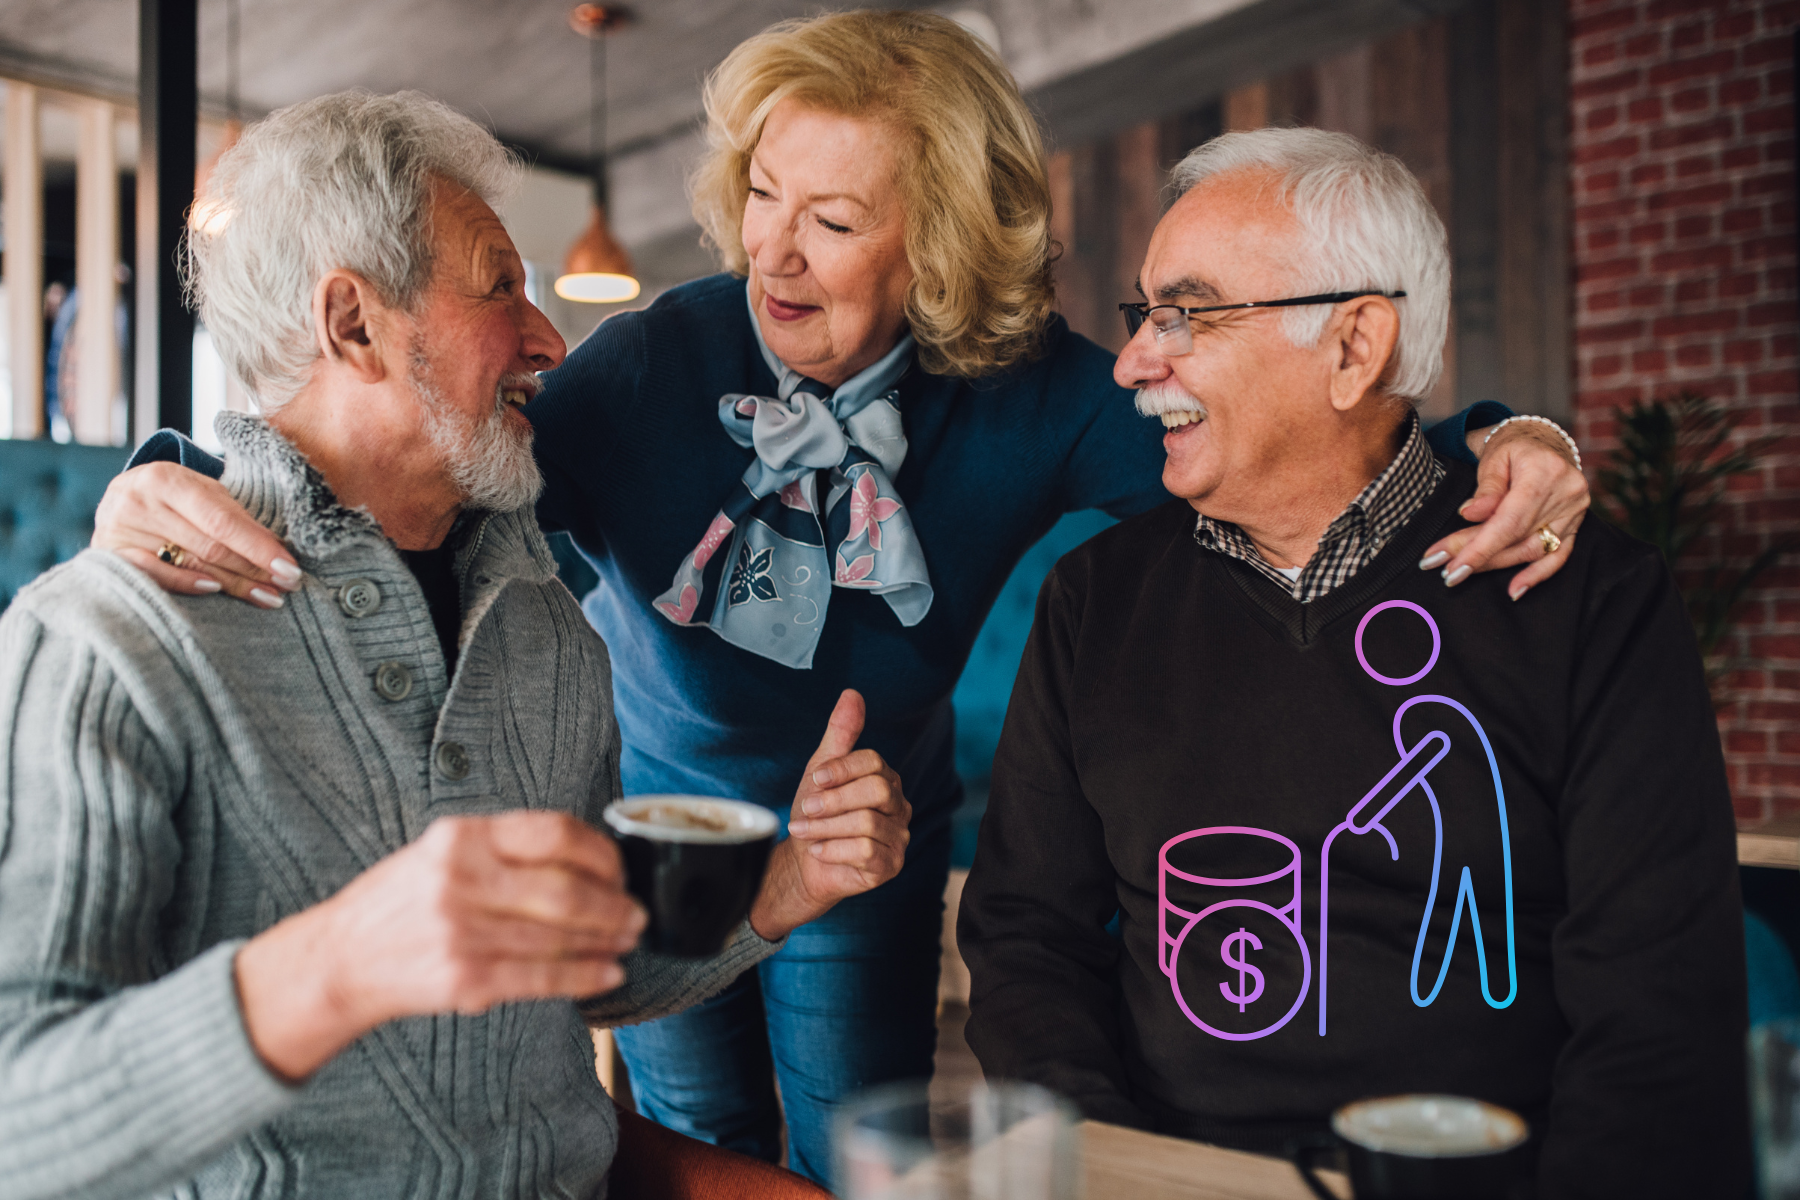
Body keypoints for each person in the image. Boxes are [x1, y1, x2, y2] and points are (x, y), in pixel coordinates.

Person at [89, 11, 1593, 1184]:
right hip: (665, 835)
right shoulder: (646, 367)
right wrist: (166, 471)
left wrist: (1508, 440)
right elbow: (402, 459)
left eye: (834, 218)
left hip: (865, 835)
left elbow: (1283, 438)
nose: (770, 248)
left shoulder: (1029, 397)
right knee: (695, 1140)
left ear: (933, 243)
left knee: (859, 1150)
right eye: (760, 191)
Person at [0, 91, 910, 1200]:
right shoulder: (103, 640)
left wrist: (788, 879)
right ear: (354, 326)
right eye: (498, 286)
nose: (549, 340)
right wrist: (334, 968)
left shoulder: (552, 634)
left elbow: (576, 966)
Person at [956, 127, 1750, 1199]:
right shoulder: (1094, 601)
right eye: (1143, 316)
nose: (1137, 360)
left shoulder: (1586, 597)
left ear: (1353, 345)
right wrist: (1111, 1163)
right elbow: (1026, 938)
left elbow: (1657, 1013)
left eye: (1187, 313)